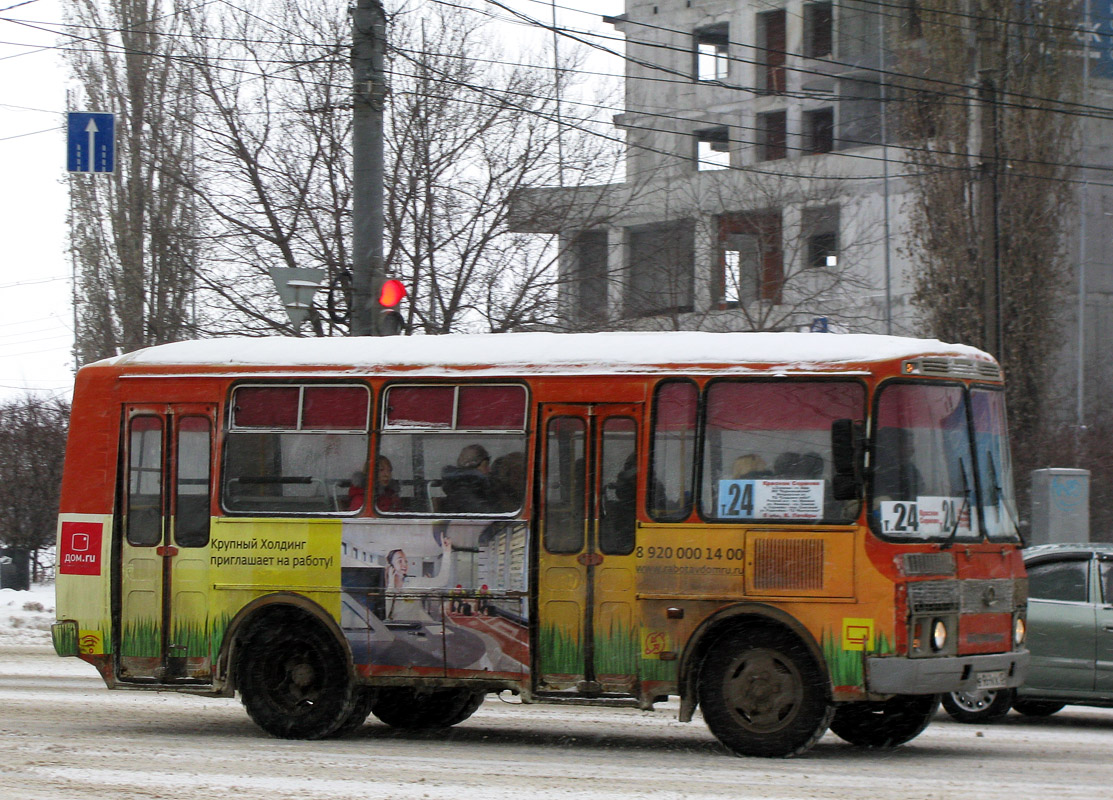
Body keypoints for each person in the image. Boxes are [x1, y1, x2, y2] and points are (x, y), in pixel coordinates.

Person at [441, 444, 498, 513]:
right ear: (472, 466)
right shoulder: (463, 490)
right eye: (485, 466)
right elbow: (486, 513)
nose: (489, 470)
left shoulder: (472, 487)